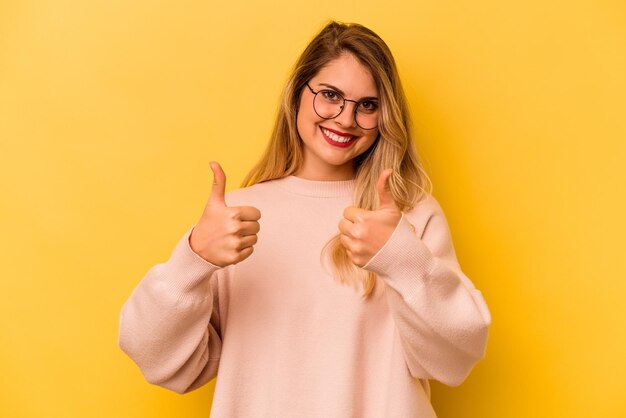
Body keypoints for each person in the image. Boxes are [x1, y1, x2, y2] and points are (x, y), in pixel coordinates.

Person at [118, 21, 491, 417]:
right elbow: (156, 359)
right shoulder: (235, 219)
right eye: (330, 95)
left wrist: (400, 258)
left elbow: (456, 358)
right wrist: (193, 259)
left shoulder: (409, 216)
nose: (346, 119)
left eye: (367, 105)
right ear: (298, 94)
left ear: (385, 116)